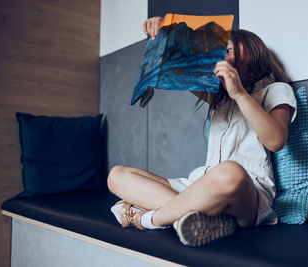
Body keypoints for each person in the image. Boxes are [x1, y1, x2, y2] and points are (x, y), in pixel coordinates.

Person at [107, 16, 297, 246]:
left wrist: (239, 94)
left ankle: (148, 219)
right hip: (200, 184)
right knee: (117, 176)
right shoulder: (220, 99)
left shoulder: (275, 90)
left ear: (251, 54)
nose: (220, 56)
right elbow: (177, 69)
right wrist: (165, 33)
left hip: (247, 191)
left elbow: (275, 140)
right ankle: (188, 218)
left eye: (227, 50)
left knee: (230, 172)